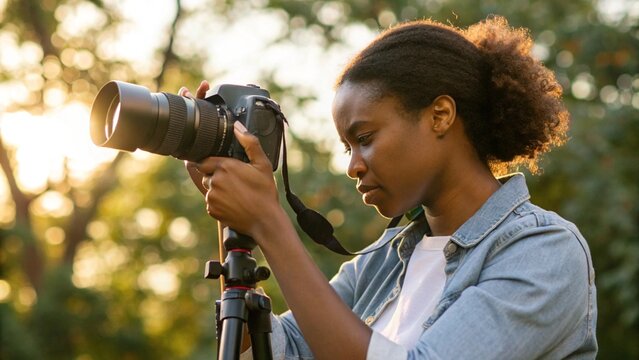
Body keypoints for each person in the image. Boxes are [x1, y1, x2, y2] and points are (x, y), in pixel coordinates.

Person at [181, 16, 597, 359]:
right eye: (347, 147)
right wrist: (230, 204)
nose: (352, 166)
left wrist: (270, 223)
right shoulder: (383, 261)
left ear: (440, 116)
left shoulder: (544, 252)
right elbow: (282, 349)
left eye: (365, 139)